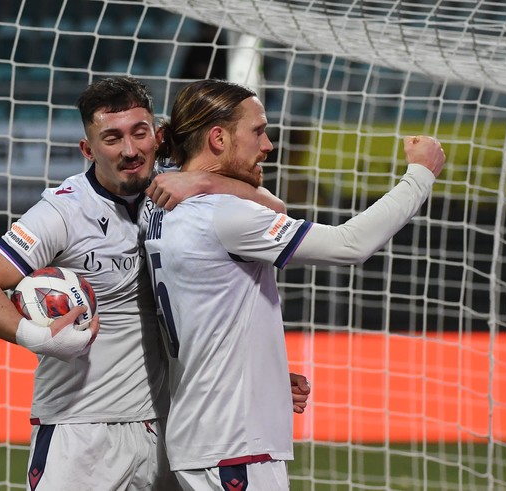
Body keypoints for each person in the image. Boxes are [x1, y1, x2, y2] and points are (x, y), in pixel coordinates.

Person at [0, 76, 307, 491]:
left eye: (140, 133)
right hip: (80, 431)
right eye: (112, 138)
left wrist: (205, 181)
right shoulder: (62, 213)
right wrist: (40, 337)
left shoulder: (181, 196)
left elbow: (274, 208)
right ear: (88, 149)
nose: (130, 150)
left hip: (167, 432)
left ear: (158, 136)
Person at [141, 79, 445, 490]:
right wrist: (420, 176)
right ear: (218, 137)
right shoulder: (226, 217)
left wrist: (260, 371)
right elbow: (349, 244)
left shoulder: (158, 208)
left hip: (204, 433)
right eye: (258, 131)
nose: (267, 145)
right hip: (237, 443)